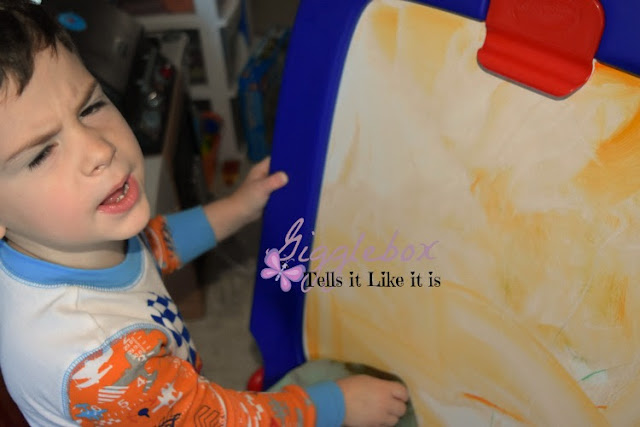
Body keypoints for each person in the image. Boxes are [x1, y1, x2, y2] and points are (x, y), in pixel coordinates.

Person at [0, 1, 409, 426]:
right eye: (42, 153)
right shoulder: (103, 359)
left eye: (89, 108)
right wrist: (333, 406)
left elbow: (148, 248)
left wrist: (237, 206)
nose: (99, 148)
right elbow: (221, 419)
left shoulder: (65, 240)